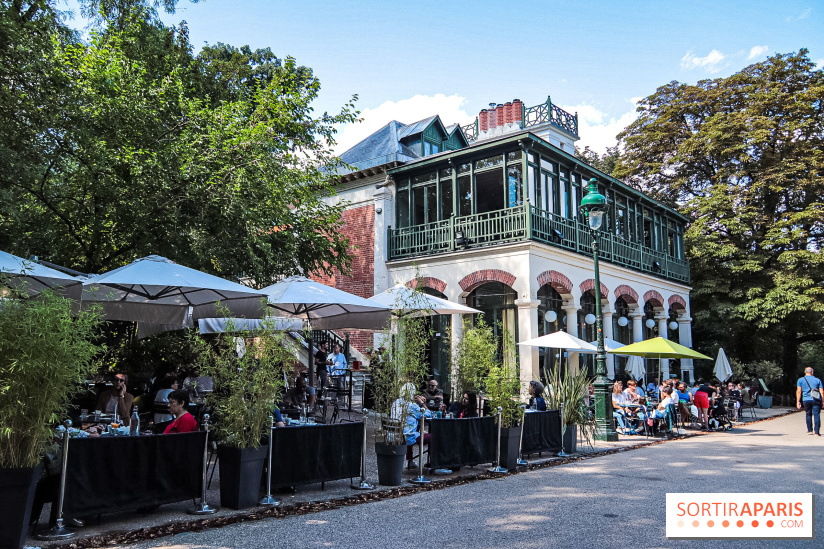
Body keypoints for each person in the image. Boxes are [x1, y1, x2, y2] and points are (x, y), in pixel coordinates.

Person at [797, 367, 824, 436]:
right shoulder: (817, 380)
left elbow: (799, 391)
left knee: (808, 414)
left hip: (806, 399)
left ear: (805, 372)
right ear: (812, 372)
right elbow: (822, 392)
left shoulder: (801, 380)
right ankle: (817, 432)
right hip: (816, 399)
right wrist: (823, 401)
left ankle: (810, 430)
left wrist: (798, 401)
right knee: (816, 415)